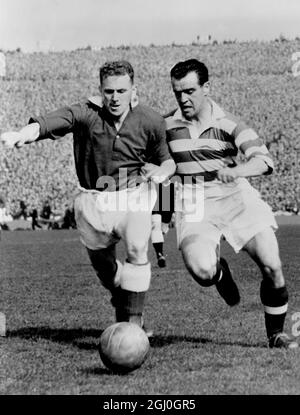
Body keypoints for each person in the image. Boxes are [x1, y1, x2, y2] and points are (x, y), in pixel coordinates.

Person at [1, 60, 176, 335]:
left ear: (134, 90)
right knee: (107, 273)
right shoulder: (86, 113)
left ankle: (133, 325)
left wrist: (162, 172)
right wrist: (24, 134)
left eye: (121, 90)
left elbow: (168, 162)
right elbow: (51, 122)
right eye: (109, 91)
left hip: (133, 196)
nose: (115, 97)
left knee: (137, 249)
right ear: (100, 90)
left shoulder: (151, 120)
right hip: (92, 201)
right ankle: (123, 297)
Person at [165, 58, 298, 349]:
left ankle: (276, 334)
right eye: (178, 92)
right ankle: (219, 272)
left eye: (189, 91)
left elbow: (265, 161)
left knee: (272, 265)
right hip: (193, 202)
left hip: (235, 197)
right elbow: (161, 173)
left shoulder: (229, 124)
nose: (183, 98)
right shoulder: (166, 126)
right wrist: (164, 215)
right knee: (203, 272)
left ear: (207, 88)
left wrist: (236, 170)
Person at [151, 183, 174, 268]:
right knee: (155, 224)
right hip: (151, 188)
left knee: (164, 223)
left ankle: (162, 231)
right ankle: (159, 254)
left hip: (166, 190)